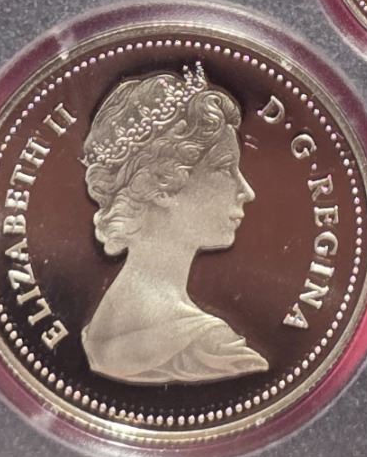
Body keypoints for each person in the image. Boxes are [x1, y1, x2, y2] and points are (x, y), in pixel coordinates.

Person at [80, 63, 268, 385]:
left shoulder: (102, 325)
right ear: (162, 186)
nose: (247, 191)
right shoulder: (210, 347)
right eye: (224, 169)